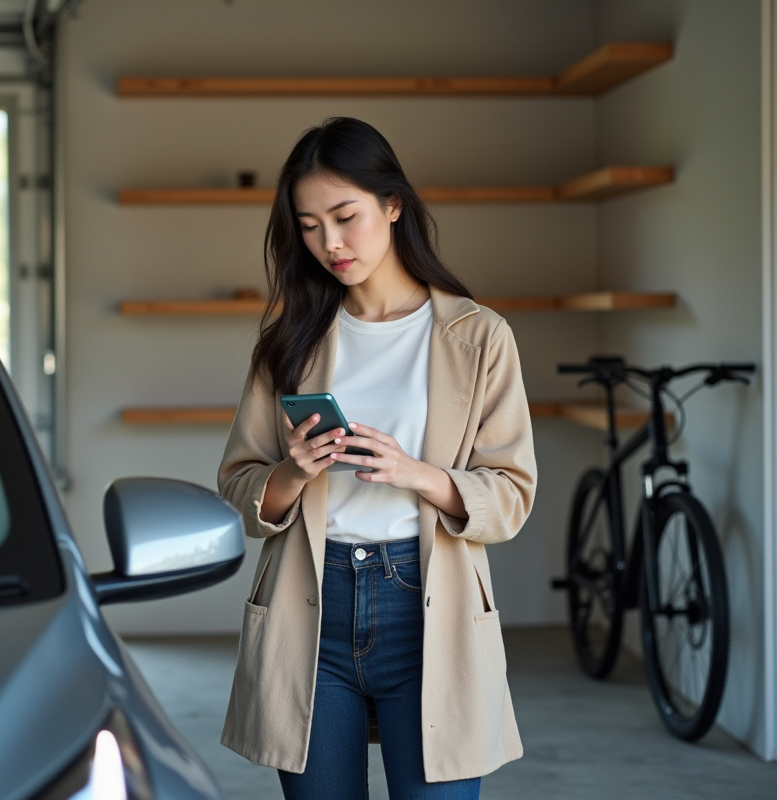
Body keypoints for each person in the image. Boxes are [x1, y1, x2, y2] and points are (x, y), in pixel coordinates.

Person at [217, 117, 537, 800]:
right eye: (308, 225)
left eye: (345, 216)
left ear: (393, 205)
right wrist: (293, 471)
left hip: (427, 609)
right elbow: (240, 488)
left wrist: (416, 473)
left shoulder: (478, 338)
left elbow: (511, 495)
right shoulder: (290, 341)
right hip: (314, 602)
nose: (329, 243)